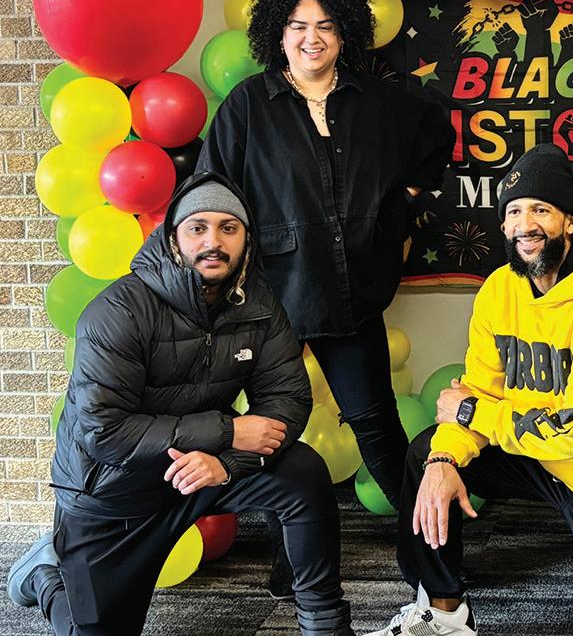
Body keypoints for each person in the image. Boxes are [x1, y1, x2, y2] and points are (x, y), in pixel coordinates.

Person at [6, 172, 353, 636]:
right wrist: (228, 432)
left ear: (247, 239)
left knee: (301, 471)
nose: (214, 242)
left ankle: (324, 624)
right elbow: (103, 431)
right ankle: (45, 577)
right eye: (198, 228)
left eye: (229, 228)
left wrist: (226, 463)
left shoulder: (258, 302)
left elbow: (286, 398)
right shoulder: (120, 310)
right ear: (173, 238)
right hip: (114, 489)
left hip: (202, 468)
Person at [198, 0, 454, 595]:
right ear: (277, 34)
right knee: (273, 434)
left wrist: (403, 201)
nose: (311, 38)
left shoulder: (378, 101)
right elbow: (212, 190)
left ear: (344, 35)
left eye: (325, 27)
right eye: (298, 27)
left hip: (351, 292)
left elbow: (435, 134)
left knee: (378, 428)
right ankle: (293, 563)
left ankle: (432, 561)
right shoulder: (248, 106)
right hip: (270, 301)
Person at [364, 144, 573, 636]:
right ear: (503, 225)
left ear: (570, 221)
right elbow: (480, 386)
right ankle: (445, 612)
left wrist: (470, 414)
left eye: (541, 210)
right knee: (426, 456)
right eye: (515, 211)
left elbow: (572, 434)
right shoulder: (500, 289)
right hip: (531, 451)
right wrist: (444, 458)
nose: (526, 224)